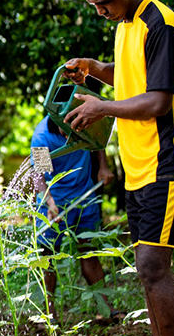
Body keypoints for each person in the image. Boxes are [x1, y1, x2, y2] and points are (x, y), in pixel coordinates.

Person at [63, 0, 174, 336]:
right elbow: (131, 75)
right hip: (138, 166)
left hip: (168, 161)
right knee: (147, 270)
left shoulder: (161, 24)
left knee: (152, 266)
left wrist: (101, 107)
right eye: (93, 5)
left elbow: (158, 100)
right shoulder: (126, 25)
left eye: (103, 3)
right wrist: (95, 68)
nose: (100, 12)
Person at [32, 115, 115, 324]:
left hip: (84, 194)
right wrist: (50, 205)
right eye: (66, 131)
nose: (71, 135)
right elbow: (39, 176)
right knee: (47, 256)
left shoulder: (82, 122)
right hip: (53, 199)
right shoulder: (42, 137)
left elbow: (98, 141)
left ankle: (105, 308)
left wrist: (103, 167)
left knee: (88, 250)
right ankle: (49, 316)